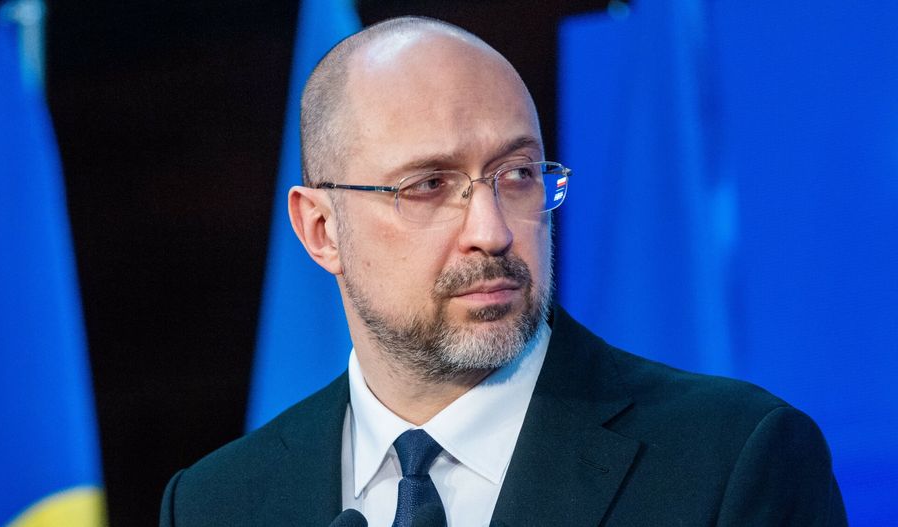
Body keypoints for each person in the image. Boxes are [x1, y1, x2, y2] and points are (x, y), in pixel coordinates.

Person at [160, 16, 847, 527]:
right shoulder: (216, 503)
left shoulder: (732, 460)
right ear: (321, 229)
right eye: (429, 185)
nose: (492, 231)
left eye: (517, 174)